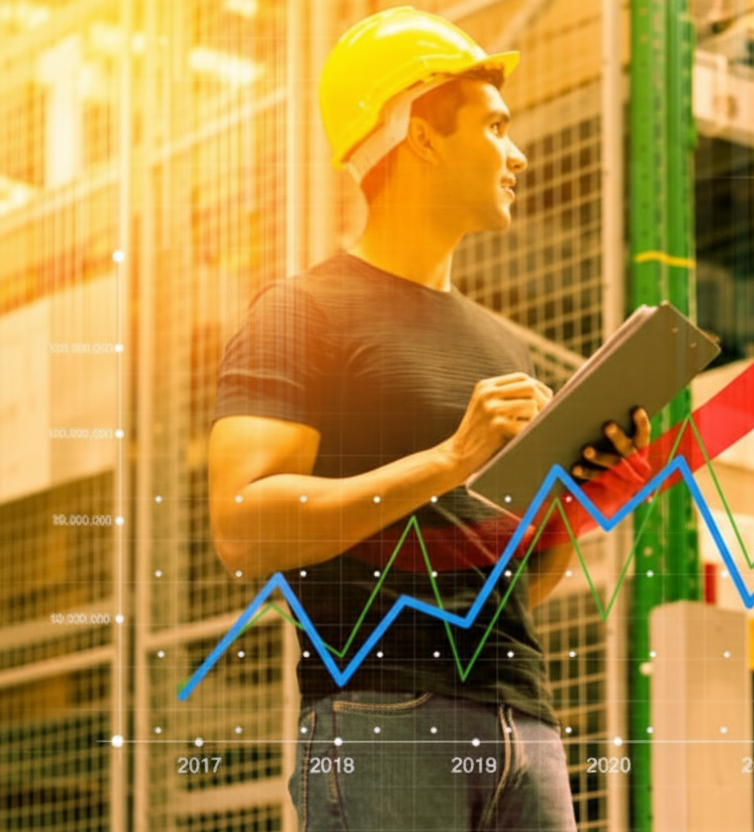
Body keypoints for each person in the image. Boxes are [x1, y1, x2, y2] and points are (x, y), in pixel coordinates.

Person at [207, 8, 648, 830]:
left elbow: (514, 586)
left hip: (524, 721)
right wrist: (450, 459)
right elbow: (241, 526)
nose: (518, 154)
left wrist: (580, 497)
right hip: (382, 719)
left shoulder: (500, 343)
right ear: (421, 137)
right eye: (495, 126)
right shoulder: (303, 313)